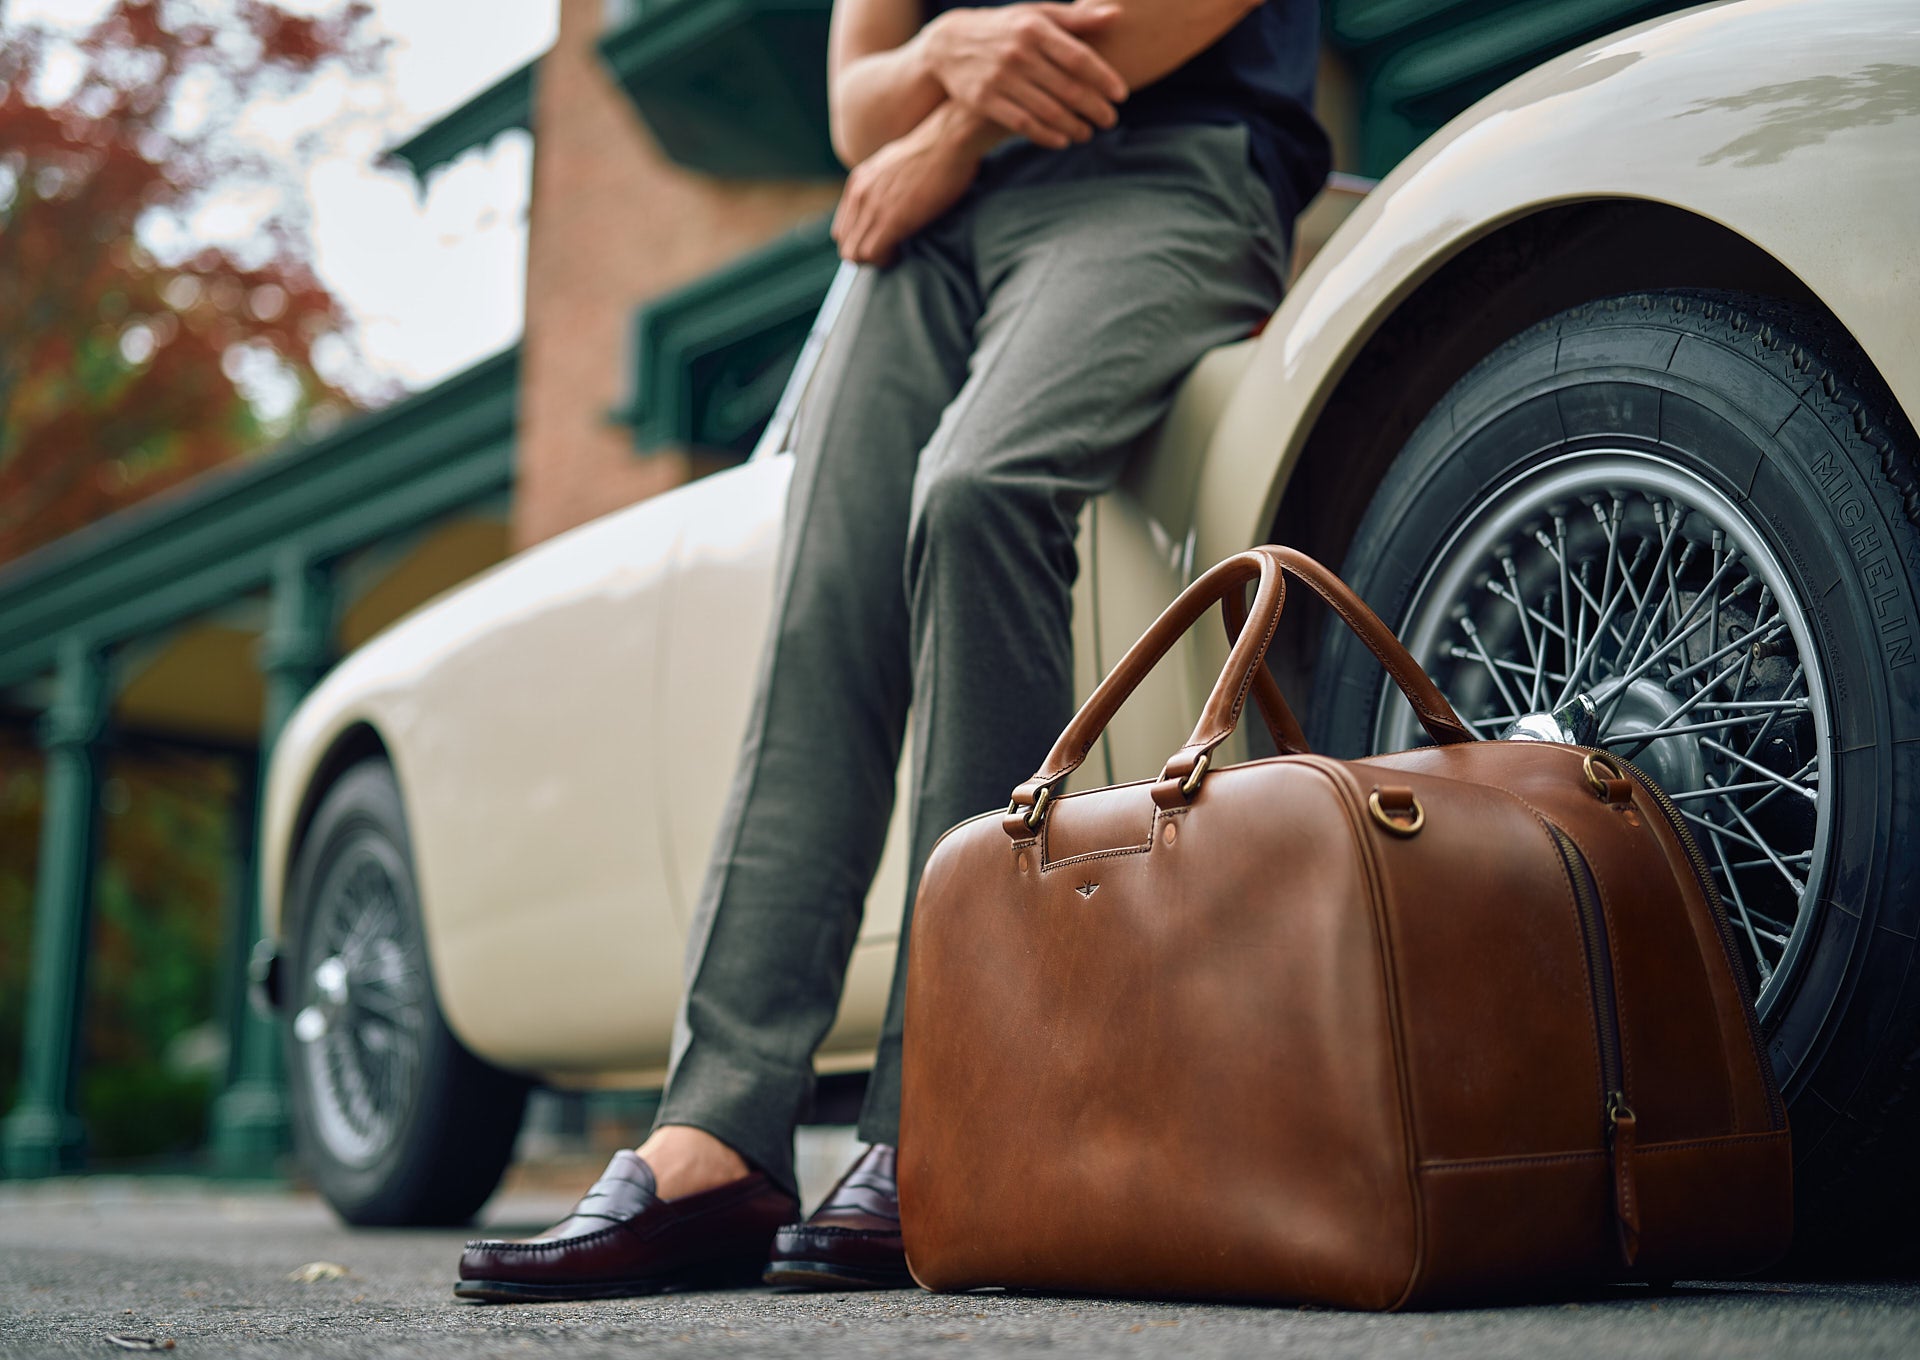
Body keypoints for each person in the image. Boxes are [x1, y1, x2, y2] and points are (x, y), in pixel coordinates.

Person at [456, 0, 1329, 1302]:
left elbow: (1151, 20)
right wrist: (938, 65)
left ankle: (954, 1106)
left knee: (980, 491)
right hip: (923, 224)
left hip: (1166, 170)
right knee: (825, 595)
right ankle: (717, 1131)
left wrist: (953, 124)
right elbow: (855, 103)